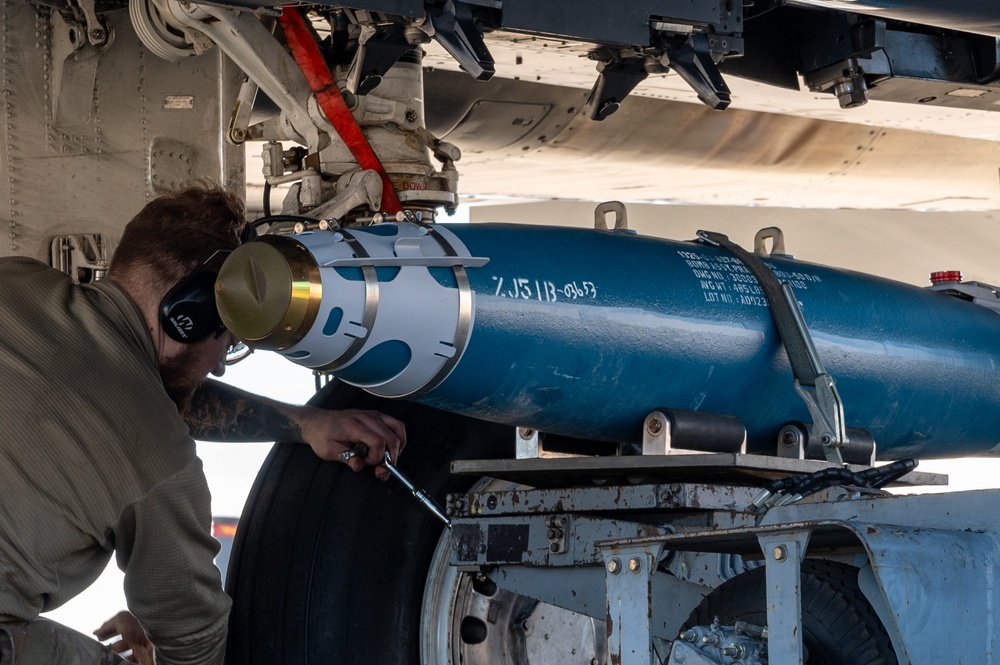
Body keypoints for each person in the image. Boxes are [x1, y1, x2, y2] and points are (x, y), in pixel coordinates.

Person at [0, 186, 405, 665]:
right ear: (189, 318)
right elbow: (195, 646)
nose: (220, 368)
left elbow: (125, 392)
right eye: (228, 343)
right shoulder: (162, 466)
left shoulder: (15, 280)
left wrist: (305, 423)